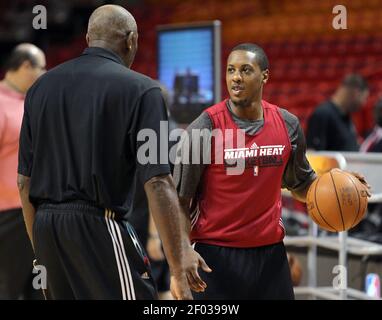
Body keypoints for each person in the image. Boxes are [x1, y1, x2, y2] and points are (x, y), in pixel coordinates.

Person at [17, 5, 208, 300]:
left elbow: (24, 182)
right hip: (99, 224)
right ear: (131, 40)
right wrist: (178, 266)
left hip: (44, 227)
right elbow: (158, 182)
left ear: (88, 37)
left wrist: (39, 248)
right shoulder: (144, 90)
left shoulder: (40, 88)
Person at [173, 43, 369, 300]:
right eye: (231, 70)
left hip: (269, 255)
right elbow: (178, 200)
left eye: (245, 70)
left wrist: (339, 186)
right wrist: (179, 258)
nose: (236, 77)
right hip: (215, 256)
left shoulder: (287, 125)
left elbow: (301, 184)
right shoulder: (205, 127)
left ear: (265, 75)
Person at [0, 43, 46, 300]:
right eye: (41, 67)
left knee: (40, 288)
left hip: (36, 209)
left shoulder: (30, 101)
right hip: (9, 215)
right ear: (26, 66)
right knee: (8, 287)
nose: (44, 73)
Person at [306, 74, 369, 151]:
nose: (364, 103)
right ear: (356, 93)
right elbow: (313, 153)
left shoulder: (346, 116)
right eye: (364, 98)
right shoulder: (323, 114)